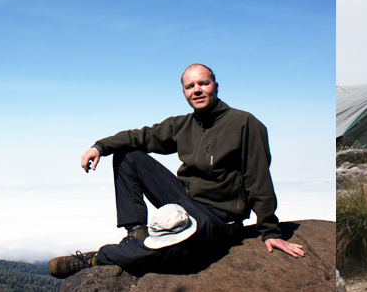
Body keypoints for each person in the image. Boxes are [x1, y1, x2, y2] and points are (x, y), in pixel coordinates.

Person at [49, 64, 307, 278]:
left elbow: (258, 178)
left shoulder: (245, 124)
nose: (197, 90)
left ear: (216, 86)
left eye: (203, 84)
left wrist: (270, 232)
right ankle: (136, 233)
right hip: (184, 197)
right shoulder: (183, 124)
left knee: (175, 253)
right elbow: (140, 136)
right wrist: (99, 147)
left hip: (218, 216)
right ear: (184, 92)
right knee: (128, 155)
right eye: (190, 86)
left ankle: (98, 257)